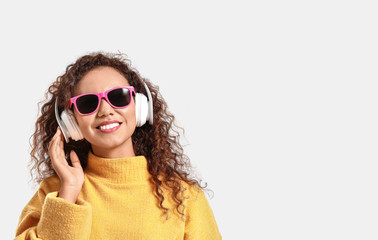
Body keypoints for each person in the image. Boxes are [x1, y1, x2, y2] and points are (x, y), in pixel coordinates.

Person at [15, 52, 222, 239]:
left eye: (118, 97)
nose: (105, 111)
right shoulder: (55, 193)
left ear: (139, 106)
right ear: (71, 122)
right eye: (88, 103)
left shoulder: (183, 195)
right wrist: (69, 191)